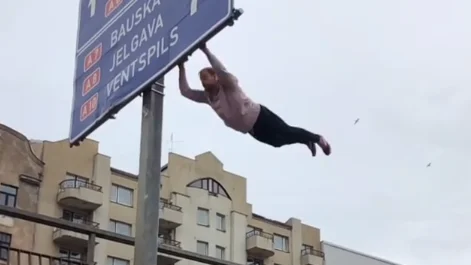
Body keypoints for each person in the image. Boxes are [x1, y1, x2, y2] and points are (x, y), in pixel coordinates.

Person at [177, 44, 331, 157]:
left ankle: (317, 138)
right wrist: (181, 67)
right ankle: (305, 140)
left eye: (205, 78)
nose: (203, 82)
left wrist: (205, 50)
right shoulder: (208, 98)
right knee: (277, 143)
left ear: (215, 77)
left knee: (286, 131)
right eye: (201, 80)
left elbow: (221, 69)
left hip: (260, 116)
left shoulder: (227, 84)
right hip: (251, 130)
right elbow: (186, 92)